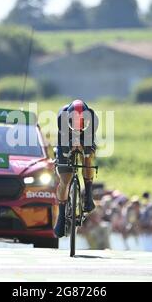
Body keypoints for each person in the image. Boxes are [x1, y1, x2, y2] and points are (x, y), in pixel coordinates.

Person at [53, 100, 99, 238]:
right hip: (66, 137)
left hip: (87, 136)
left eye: (82, 122)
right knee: (65, 179)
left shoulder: (93, 119)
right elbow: (65, 149)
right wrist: (69, 149)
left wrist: (84, 148)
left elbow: (89, 144)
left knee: (88, 158)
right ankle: (61, 215)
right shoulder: (62, 118)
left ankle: (89, 195)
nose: (78, 126)